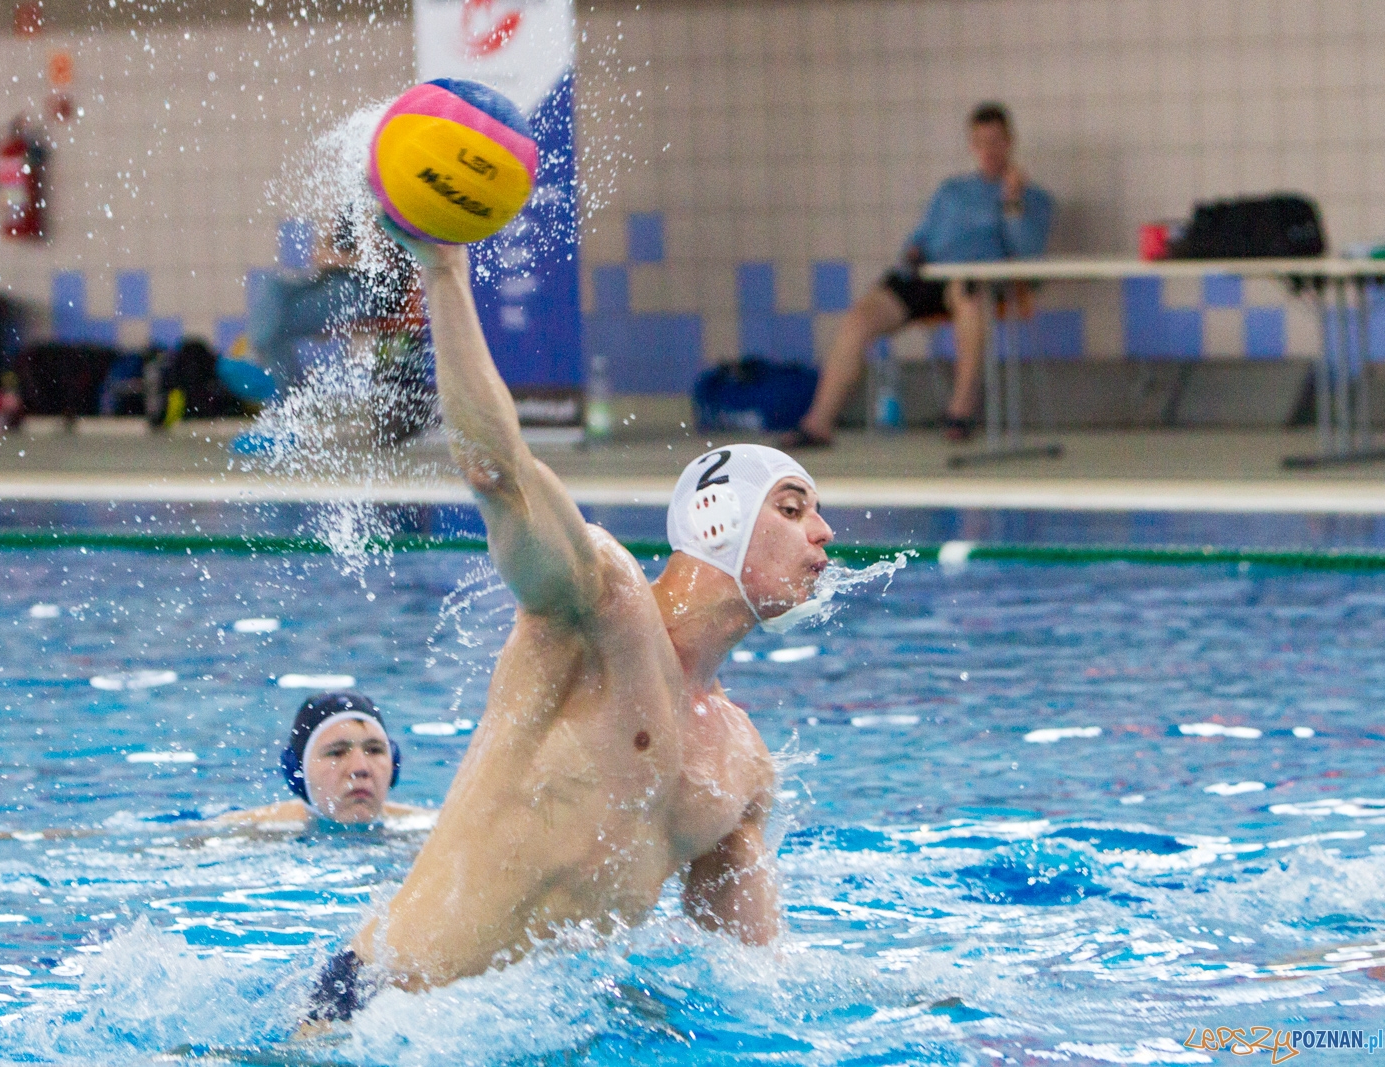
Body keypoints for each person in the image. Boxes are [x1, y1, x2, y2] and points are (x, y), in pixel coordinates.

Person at [301, 220, 836, 1028]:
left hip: (522, 1031)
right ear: (719, 521)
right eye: (793, 509)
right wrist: (444, 274)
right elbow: (497, 472)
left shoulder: (741, 764)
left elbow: (752, 989)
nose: (822, 534)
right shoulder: (598, 609)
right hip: (383, 1011)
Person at [781, 102, 1054, 448]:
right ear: (972, 145)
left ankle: (960, 411)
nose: (988, 150)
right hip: (927, 274)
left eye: (996, 141)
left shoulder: (1034, 199)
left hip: (975, 280)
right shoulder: (951, 191)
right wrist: (912, 252)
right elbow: (920, 236)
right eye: (980, 142)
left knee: (968, 296)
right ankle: (818, 423)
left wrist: (1013, 202)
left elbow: (1028, 255)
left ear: (1010, 142)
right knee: (859, 318)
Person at [213, 692, 429, 830]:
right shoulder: (242, 832)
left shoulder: (430, 830)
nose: (360, 768)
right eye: (336, 753)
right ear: (298, 772)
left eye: (374, 750)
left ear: (394, 764)